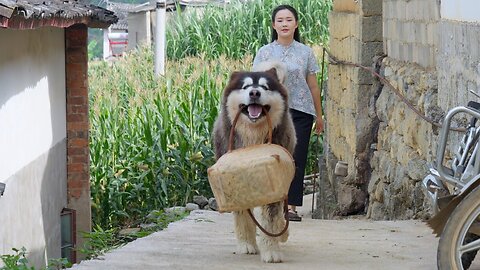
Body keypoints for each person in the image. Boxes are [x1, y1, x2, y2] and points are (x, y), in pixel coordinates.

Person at [253, 4, 324, 222]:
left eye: (289, 20)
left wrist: (319, 116)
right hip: (271, 113)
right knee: (271, 156)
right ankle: (270, 203)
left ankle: (290, 207)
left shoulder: (306, 52)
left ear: (296, 24)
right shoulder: (264, 52)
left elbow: (313, 86)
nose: (285, 23)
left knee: (296, 157)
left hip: (300, 112)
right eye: (280, 20)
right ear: (274, 25)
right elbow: (255, 83)